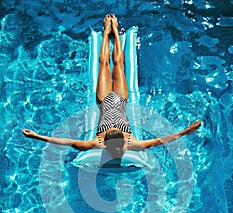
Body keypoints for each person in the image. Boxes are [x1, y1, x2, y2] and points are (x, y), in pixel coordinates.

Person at [22, 14, 201, 160]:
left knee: (104, 65)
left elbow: (65, 141)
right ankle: (114, 31)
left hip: (103, 100)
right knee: (118, 63)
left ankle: (108, 30)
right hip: (121, 99)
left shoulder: (97, 143)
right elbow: (162, 140)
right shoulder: (131, 143)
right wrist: (187, 131)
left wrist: (36, 136)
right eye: (117, 132)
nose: (115, 129)